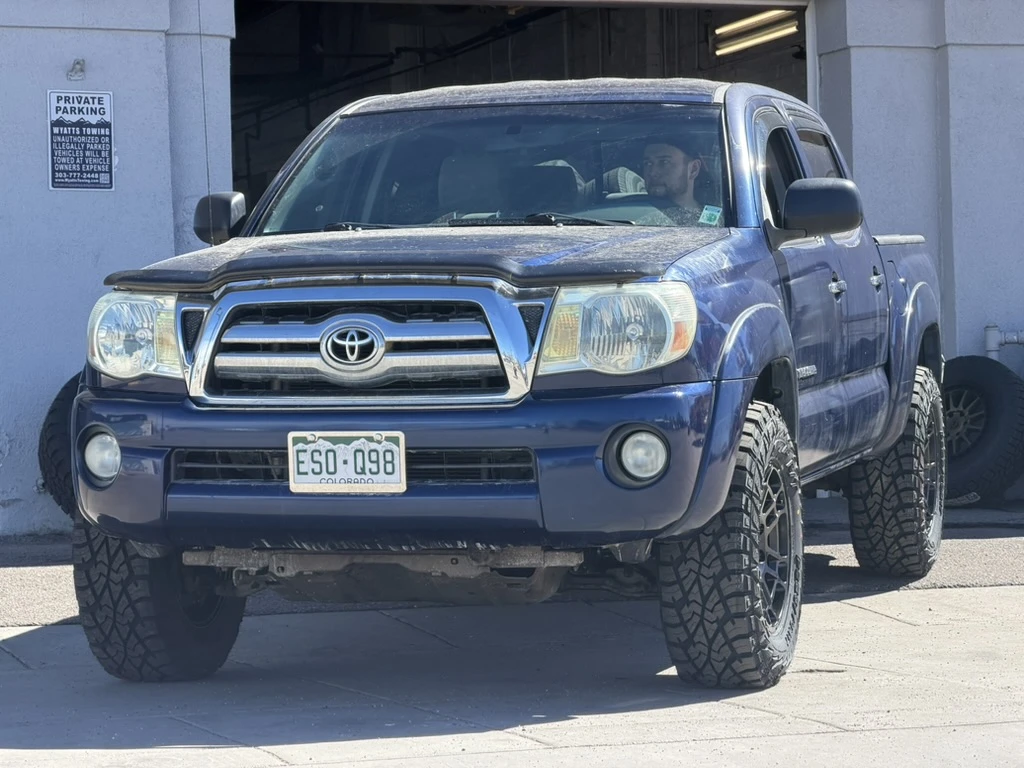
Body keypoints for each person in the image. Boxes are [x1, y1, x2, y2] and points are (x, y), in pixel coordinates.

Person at [641, 137, 707, 226]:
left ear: (693, 169)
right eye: (648, 163)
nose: (652, 172)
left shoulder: (717, 220)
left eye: (664, 162)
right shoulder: (633, 221)